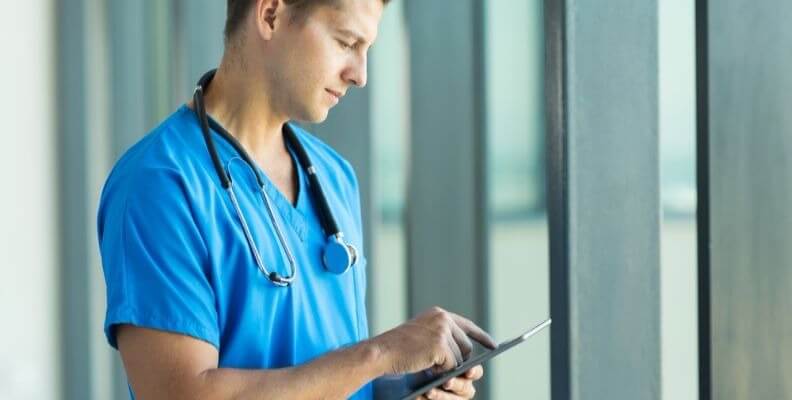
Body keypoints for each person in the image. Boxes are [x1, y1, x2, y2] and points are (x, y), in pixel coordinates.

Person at [96, 0, 496, 399]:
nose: (360, 75)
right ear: (270, 14)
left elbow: (326, 373)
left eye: (366, 50)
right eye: (346, 42)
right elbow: (181, 395)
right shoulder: (159, 185)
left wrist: (403, 386)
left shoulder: (334, 178)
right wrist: (380, 353)